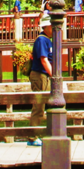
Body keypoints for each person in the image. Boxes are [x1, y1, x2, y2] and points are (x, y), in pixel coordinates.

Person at [28, 18, 53, 146]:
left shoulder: (47, 40)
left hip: (44, 76)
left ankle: (40, 133)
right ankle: (32, 136)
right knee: (38, 106)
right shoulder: (42, 40)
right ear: (46, 27)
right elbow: (44, 60)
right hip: (40, 75)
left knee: (44, 105)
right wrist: (54, 75)